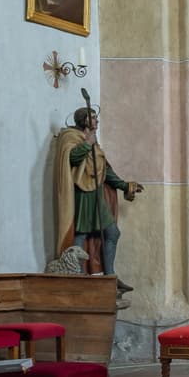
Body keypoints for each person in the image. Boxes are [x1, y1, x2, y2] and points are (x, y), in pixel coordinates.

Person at [61, 96, 140, 283]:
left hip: (96, 193)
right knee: (81, 234)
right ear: (84, 120)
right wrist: (87, 144)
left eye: (96, 117)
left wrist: (125, 185)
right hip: (83, 194)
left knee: (112, 233)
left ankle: (110, 275)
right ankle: (78, 276)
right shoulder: (72, 138)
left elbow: (105, 170)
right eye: (93, 117)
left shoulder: (93, 142)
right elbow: (71, 159)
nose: (97, 120)